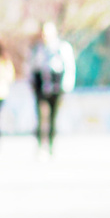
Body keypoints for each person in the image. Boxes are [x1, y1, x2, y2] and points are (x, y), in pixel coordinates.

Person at [25, 22, 75, 153]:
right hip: (41, 83)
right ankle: (41, 144)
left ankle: (51, 144)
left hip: (56, 84)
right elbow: (30, 66)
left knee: (53, 117)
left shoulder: (62, 47)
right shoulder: (37, 48)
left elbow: (69, 66)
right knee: (41, 116)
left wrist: (66, 84)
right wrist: (31, 82)